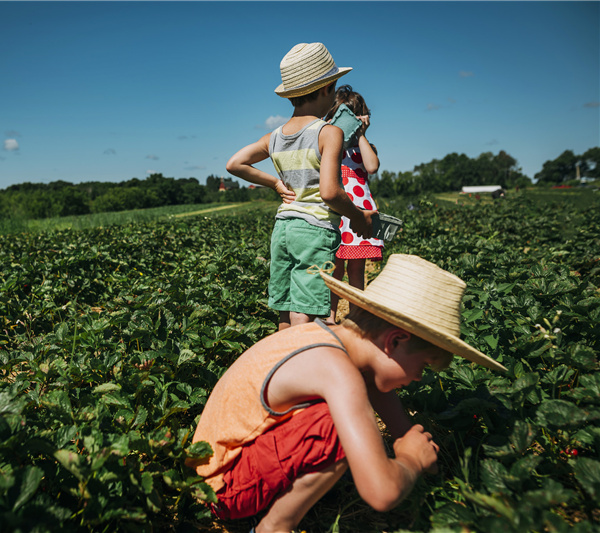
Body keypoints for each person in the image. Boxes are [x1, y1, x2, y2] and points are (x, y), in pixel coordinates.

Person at [187, 254, 507, 533]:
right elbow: (381, 493)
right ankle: (274, 526)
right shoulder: (337, 371)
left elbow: (376, 389)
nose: (419, 377)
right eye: (423, 365)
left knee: (350, 407)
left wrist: (406, 436)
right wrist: (410, 460)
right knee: (336, 428)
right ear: (394, 341)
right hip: (221, 491)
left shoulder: (328, 339)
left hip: (212, 469)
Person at [226, 43, 374, 331]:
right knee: (306, 313)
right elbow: (330, 192)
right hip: (315, 232)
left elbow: (235, 164)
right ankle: (306, 367)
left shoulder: (275, 137)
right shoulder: (329, 133)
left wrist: (275, 182)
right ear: (326, 89)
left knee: (286, 309)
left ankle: (283, 363)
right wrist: (358, 216)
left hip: (283, 228)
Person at [324, 86, 384, 323]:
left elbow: (372, 167)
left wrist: (360, 134)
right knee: (335, 269)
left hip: (359, 216)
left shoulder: (363, 148)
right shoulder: (331, 147)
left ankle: (356, 318)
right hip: (338, 214)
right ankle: (330, 317)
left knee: (356, 270)